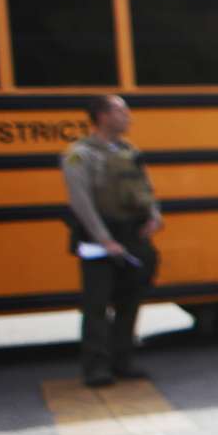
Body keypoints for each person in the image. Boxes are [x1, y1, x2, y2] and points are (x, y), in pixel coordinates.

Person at [61, 93, 160, 386]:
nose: (128, 117)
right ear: (102, 116)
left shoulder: (128, 151)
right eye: (121, 112)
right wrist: (104, 240)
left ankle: (123, 360)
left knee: (130, 301)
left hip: (131, 236)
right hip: (98, 241)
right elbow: (81, 202)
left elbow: (145, 187)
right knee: (97, 304)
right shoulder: (79, 154)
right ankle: (96, 367)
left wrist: (154, 216)